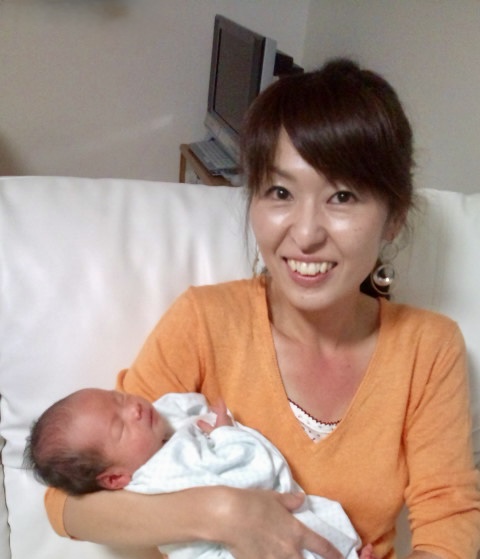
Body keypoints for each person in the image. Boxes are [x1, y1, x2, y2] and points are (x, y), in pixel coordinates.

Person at [43, 58, 480, 559]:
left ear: (394, 218)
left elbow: (448, 516)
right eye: (280, 192)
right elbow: (66, 505)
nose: (306, 233)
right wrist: (223, 514)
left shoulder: (428, 349)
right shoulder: (205, 322)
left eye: (342, 196)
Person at [26, 389, 376, 559]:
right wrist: (225, 435)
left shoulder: (160, 423)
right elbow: (250, 478)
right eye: (119, 428)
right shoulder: (162, 476)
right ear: (116, 479)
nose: (133, 409)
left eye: (119, 398)